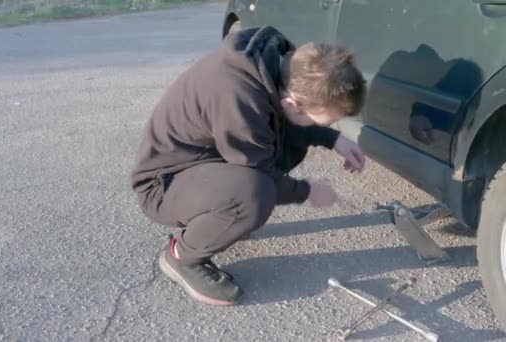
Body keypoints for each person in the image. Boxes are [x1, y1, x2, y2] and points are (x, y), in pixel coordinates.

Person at [131, 26, 367, 306]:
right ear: (291, 103)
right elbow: (262, 172)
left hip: (205, 164)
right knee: (255, 193)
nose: (325, 126)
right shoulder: (237, 93)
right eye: (322, 121)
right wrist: (308, 191)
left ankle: (221, 215)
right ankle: (181, 256)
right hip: (163, 186)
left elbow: (286, 124)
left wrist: (333, 139)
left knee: (270, 165)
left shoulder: (277, 66)